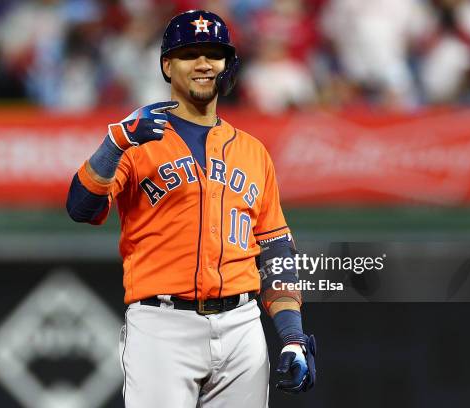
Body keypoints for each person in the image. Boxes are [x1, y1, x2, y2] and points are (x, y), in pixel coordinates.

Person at [66, 9, 316, 407]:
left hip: (242, 323)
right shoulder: (136, 138)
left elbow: (275, 251)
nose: (203, 64)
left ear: (226, 64)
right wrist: (114, 144)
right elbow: (81, 207)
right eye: (189, 53)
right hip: (162, 324)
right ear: (167, 64)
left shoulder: (253, 151)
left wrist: (293, 336)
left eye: (213, 54)